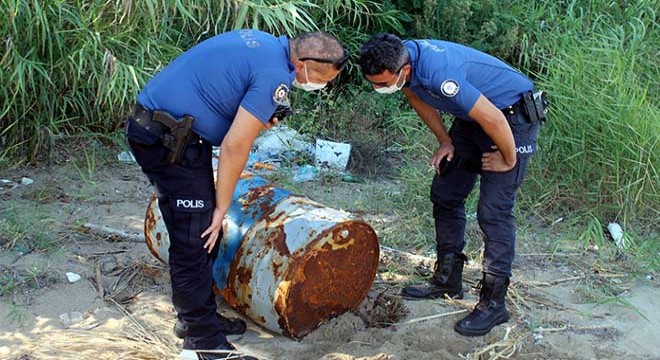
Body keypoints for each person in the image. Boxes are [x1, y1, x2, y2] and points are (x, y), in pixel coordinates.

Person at [124, 29, 346, 359]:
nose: (320, 86)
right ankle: (203, 344)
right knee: (196, 237)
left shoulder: (265, 43)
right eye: (320, 78)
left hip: (166, 131)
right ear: (302, 63)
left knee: (201, 233)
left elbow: (223, 97)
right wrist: (221, 207)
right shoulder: (276, 75)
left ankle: (196, 320)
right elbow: (235, 146)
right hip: (170, 140)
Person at [359, 33, 545, 337]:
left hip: (511, 119)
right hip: (473, 119)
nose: (377, 88)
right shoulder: (404, 64)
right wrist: (446, 141)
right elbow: (416, 97)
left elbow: (495, 120)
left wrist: (507, 160)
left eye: (381, 83)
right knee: (446, 192)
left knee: (493, 212)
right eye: (373, 82)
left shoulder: (439, 73)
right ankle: (448, 279)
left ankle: (493, 304)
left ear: (403, 69)